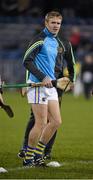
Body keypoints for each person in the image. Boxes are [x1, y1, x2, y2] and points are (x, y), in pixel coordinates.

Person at [22, 11, 76, 167]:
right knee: (40, 123)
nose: (56, 26)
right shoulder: (39, 40)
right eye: (53, 23)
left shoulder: (56, 42)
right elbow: (27, 61)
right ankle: (28, 157)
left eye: (58, 23)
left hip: (50, 85)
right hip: (38, 85)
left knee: (56, 122)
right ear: (46, 23)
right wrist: (42, 77)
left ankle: (38, 154)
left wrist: (63, 80)